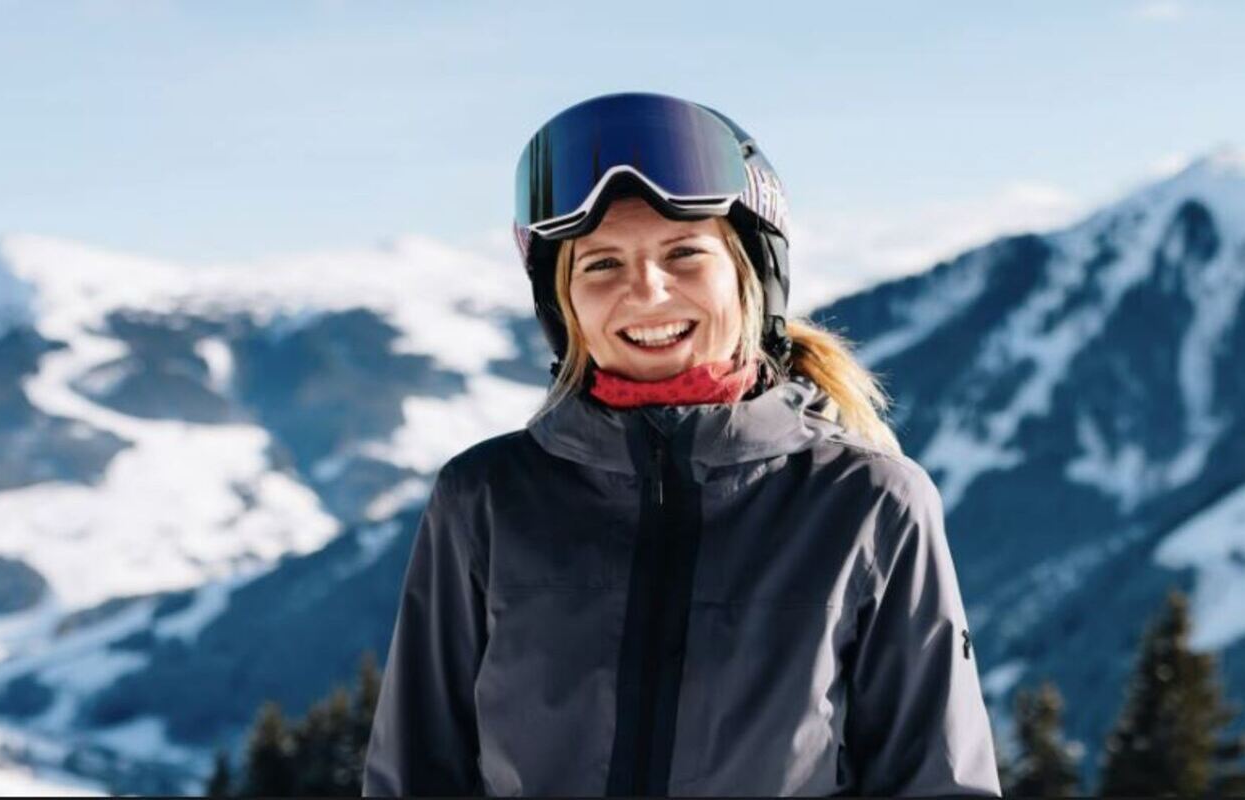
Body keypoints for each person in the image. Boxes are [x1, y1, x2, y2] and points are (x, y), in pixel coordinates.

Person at [362, 92, 1000, 797]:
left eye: (685, 253)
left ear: (750, 273)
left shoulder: (868, 503)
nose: (647, 291)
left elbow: (935, 782)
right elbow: (416, 775)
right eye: (601, 264)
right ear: (563, 303)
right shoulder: (485, 498)